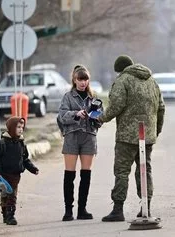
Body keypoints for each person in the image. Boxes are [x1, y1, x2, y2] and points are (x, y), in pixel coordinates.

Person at [99, 55, 165, 222]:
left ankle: (118, 210)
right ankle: (146, 207)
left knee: (122, 171)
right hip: (147, 135)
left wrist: (101, 118)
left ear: (120, 69)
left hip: (127, 137)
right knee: (145, 170)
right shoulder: (151, 81)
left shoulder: (123, 80)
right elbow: (161, 107)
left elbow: (116, 105)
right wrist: (156, 131)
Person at [57, 65, 102, 221]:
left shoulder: (94, 97)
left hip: (89, 137)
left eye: (85, 79)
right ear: (74, 80)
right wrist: (76, 114)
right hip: (72, 136)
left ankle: (82, 209)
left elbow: (100, 120)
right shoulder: (68, 97)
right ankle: (68, 210)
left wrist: (96, 117)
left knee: (86, 174)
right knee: (69, 175)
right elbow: (62, 116)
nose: (83, 82)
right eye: (80, 79)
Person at [0, 116, 39, 225]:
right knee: (4, 195)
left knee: (12, 195)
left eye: (22, 127)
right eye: (18, 127)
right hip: (3, 175)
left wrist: (33, 169)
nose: (20, 129)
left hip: (15, 175)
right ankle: (5, 214)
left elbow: (25, 159)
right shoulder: (2, 143)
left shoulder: (21, 143)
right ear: (11, 127)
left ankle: (11, 216)